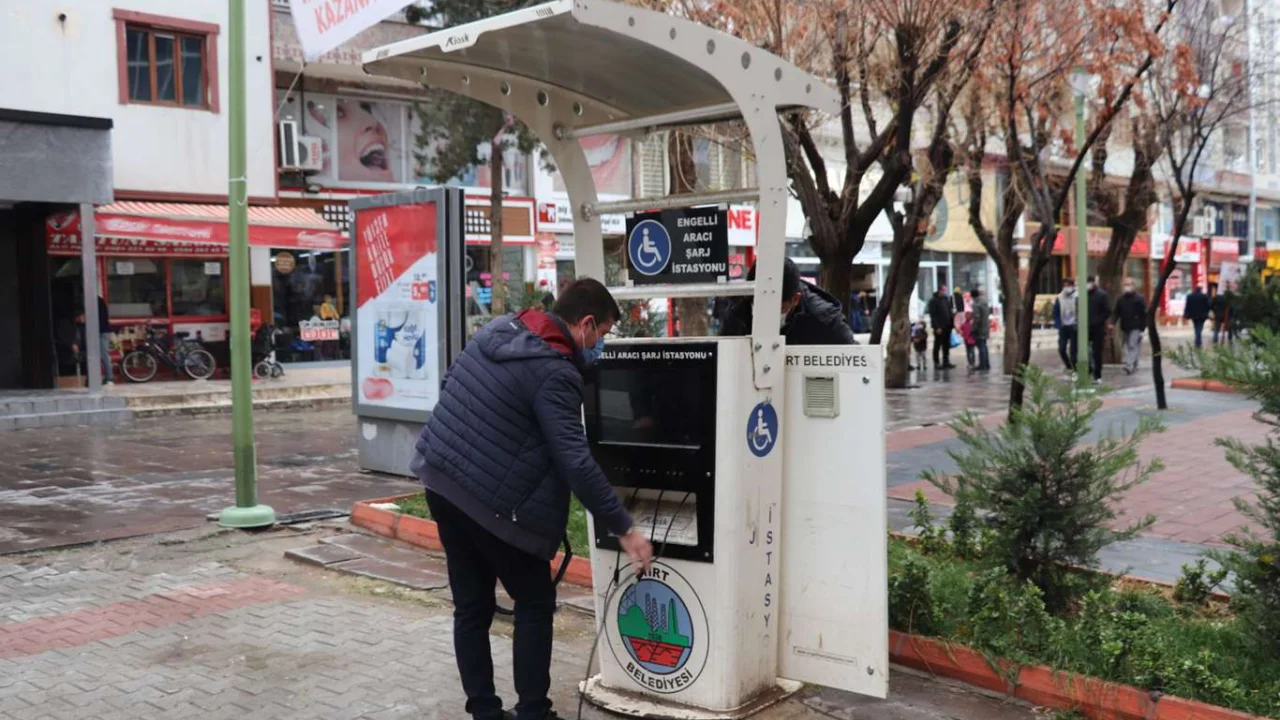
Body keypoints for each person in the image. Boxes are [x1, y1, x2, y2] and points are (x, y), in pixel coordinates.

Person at [411, 279, 653, 720]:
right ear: (584, 325)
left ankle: (484, 711)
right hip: (490, 502)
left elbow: (455, 386)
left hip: (440, 479)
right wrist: (625, 528)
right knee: (535, 602)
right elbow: (575, 461)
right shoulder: (555, 370)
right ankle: (534, 713)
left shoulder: (497, 330)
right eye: (602, 334)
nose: (600, 345)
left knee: (471, 607)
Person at [720, 259, 857, 345]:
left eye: (775, 309)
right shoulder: (737, 308)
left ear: (795, 300)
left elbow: (855, 360)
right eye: (760, 306)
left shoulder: (824, 318)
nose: (766, 315)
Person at [73, 296, 112, 384]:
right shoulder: (99, 301)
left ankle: (108, 378)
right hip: (102, 330)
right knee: (102, 355)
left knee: (101, 354)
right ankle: (106, 377)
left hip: (100, 331)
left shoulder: (94, 302)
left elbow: (94, 318)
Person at [1114, 279, 1147, 374]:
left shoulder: (1139, 298)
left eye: (1128, 284)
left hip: (1136, 326)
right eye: (1125, 284)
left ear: (1134, 286)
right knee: (1130, 346)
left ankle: (1129, 365)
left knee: (1132, 345)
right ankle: (1134, 365)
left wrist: (1143, 328)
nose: (1126, 286)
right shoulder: (1120, 299)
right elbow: (1116, 312)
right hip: (1125, 326)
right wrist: (1112, 322)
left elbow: (1144, 314)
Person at [1087, 276, 1111, 383]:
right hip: (1085, 328)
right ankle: (1088, 370)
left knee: (1097, 352)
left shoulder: (1101, 295)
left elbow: (1107, 311)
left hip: (1098, 328)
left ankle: (1097, 375)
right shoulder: (1082, 295)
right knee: (1085, 351)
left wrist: (1098, 320)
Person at [1052, 279, 1079, 372]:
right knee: (1061, 349)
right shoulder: (1059, 297)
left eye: (1068, 285)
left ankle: (1074, 369)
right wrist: (1058, 324)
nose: (1066, 287)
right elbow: (1055, 312)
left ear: (1072, 286)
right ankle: (1069, 366)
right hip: (1063, 327)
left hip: (1074, 327)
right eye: (1065, 285)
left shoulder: (1077, 296)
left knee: (1073, 352)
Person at [926, 287, 956, 370]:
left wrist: (952, 323)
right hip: (939, 327)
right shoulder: (933, 301)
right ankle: (937, 362)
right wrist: (937, 326)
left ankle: (946, 362)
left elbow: (949, 311)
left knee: (946, 345)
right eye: (943, 290)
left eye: (946, 290)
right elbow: (933, 315)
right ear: (939, 290)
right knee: (937, 345)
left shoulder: (945, 299)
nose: (945, 292)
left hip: (947, 326)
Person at [971, 287, 992, 372]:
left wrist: (974, 328)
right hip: (986, 327)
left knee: (981, 346)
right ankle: (986, 364)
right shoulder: (984, 301)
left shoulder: (976, 304)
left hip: (980, 328)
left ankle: (982, 364)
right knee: (984, 346)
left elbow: (977, 317)